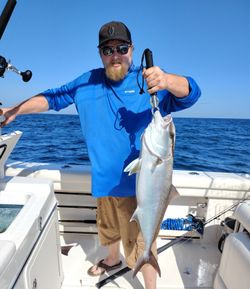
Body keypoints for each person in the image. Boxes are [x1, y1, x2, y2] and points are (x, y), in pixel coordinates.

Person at [0, 21, 201, 289]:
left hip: (139, 190)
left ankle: (151, 285)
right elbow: (52, 98)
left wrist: (167, 79)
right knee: (108, 229)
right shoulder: (87, 82)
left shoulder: (149, 80)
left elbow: (191, 94)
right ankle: (111, 259)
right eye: (108, 50)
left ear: (132, 49)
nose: (115, 55)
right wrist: (15, 110)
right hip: (105, 181)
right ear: (100, 54)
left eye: (121, 48)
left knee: (142, 243)